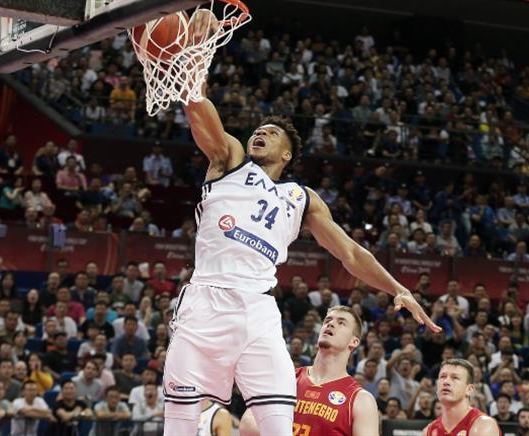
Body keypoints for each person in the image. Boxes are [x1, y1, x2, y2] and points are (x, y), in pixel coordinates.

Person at [164, 86, 439, 435]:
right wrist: (191, 81)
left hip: (258, 310)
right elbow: (200, 115)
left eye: (271, 133)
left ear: (287, 154)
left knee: (280, 424)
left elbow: (351, 253)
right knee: (180, 424)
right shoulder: (230, 160)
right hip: (207, 298)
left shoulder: (300, 198)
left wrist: (397, 288)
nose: (261, 133)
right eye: (258, 130)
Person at [239, 306, 378, 435]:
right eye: (327, 320)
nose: (330, 324)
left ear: (354, 341)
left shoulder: (360, 399)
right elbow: (248, 424)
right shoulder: (287, 379)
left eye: (341, 323)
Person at [422, 359, 501, 435]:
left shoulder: (483, 425)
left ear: (469, 389)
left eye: (455, 378)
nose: (446, 382)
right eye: (443, 376)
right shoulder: (428, 431)